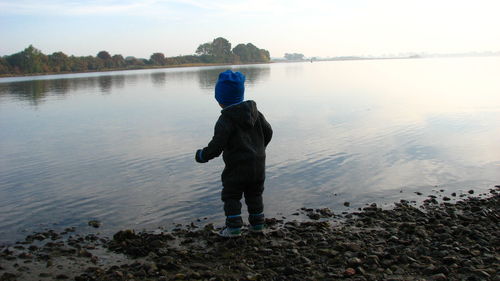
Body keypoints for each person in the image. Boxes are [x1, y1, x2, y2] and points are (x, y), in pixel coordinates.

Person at [195, 70, 273, 237]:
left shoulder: (225, 120)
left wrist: (203, 155)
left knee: (231, 196)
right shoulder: (256, 114)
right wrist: (259, 148)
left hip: (237, 168)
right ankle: (258, 225)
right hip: (258, 164)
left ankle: (234, 228)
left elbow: (217, 146)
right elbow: (269, 132)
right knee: (255, 194)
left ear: (220, 99)